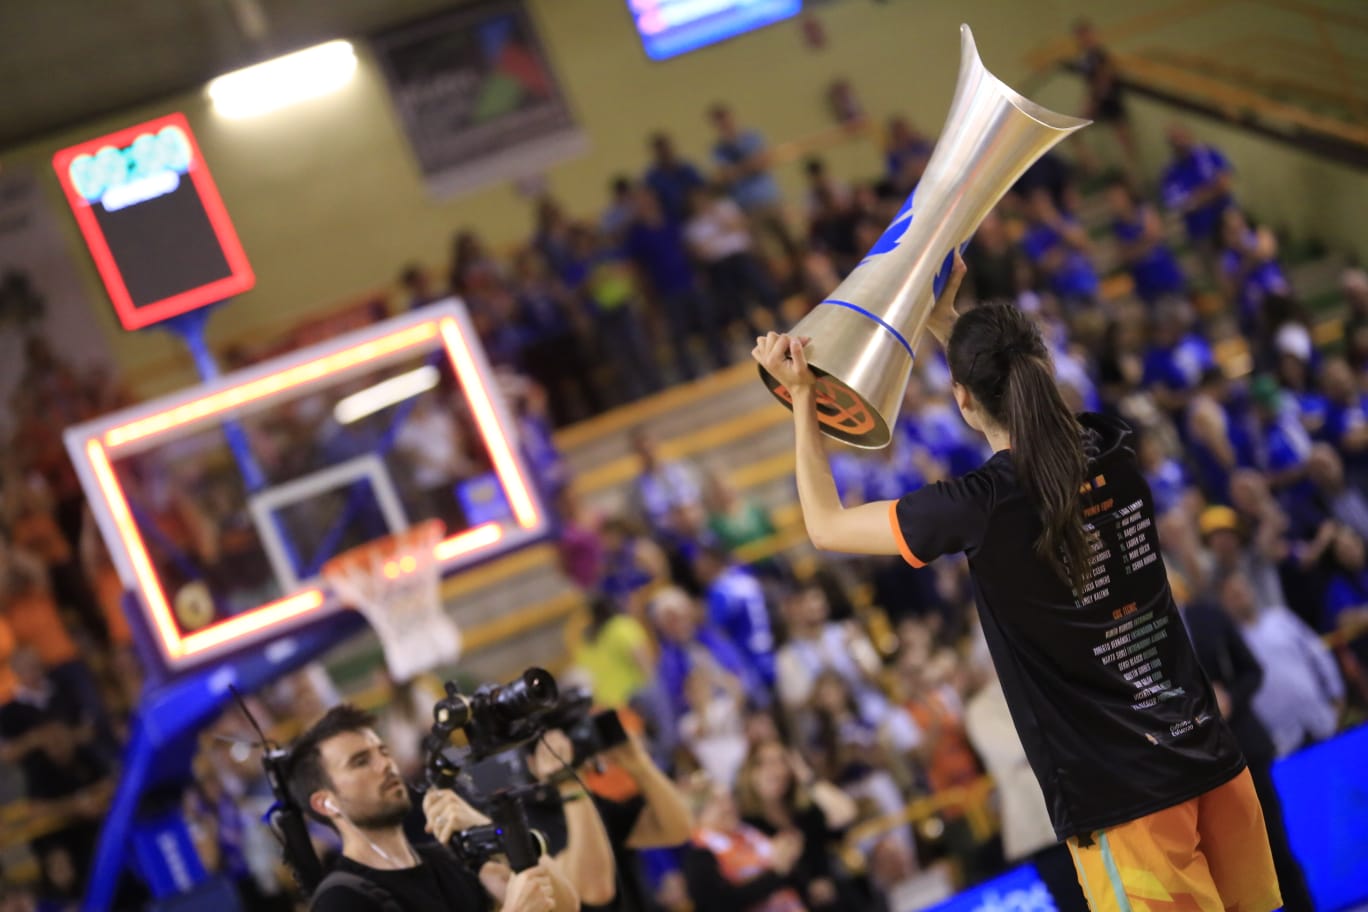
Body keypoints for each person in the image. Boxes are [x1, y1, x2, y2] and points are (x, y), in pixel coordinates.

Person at [752, 256, 1283, 909]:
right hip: (1211, 759)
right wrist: (950, 324)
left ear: (963, 400)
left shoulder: (982, 506)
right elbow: (1018, 399)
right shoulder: (1111, 445)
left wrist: (803, 397)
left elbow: (826, 526)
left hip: (1128, 799)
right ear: (1043, 368)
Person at [284, 704, 578, 911]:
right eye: (361, 762)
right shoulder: (342, 900)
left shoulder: (447, 859)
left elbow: (566, 905)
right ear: (326, 802)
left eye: (383, 752)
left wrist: (483, 825)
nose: (385, 764)